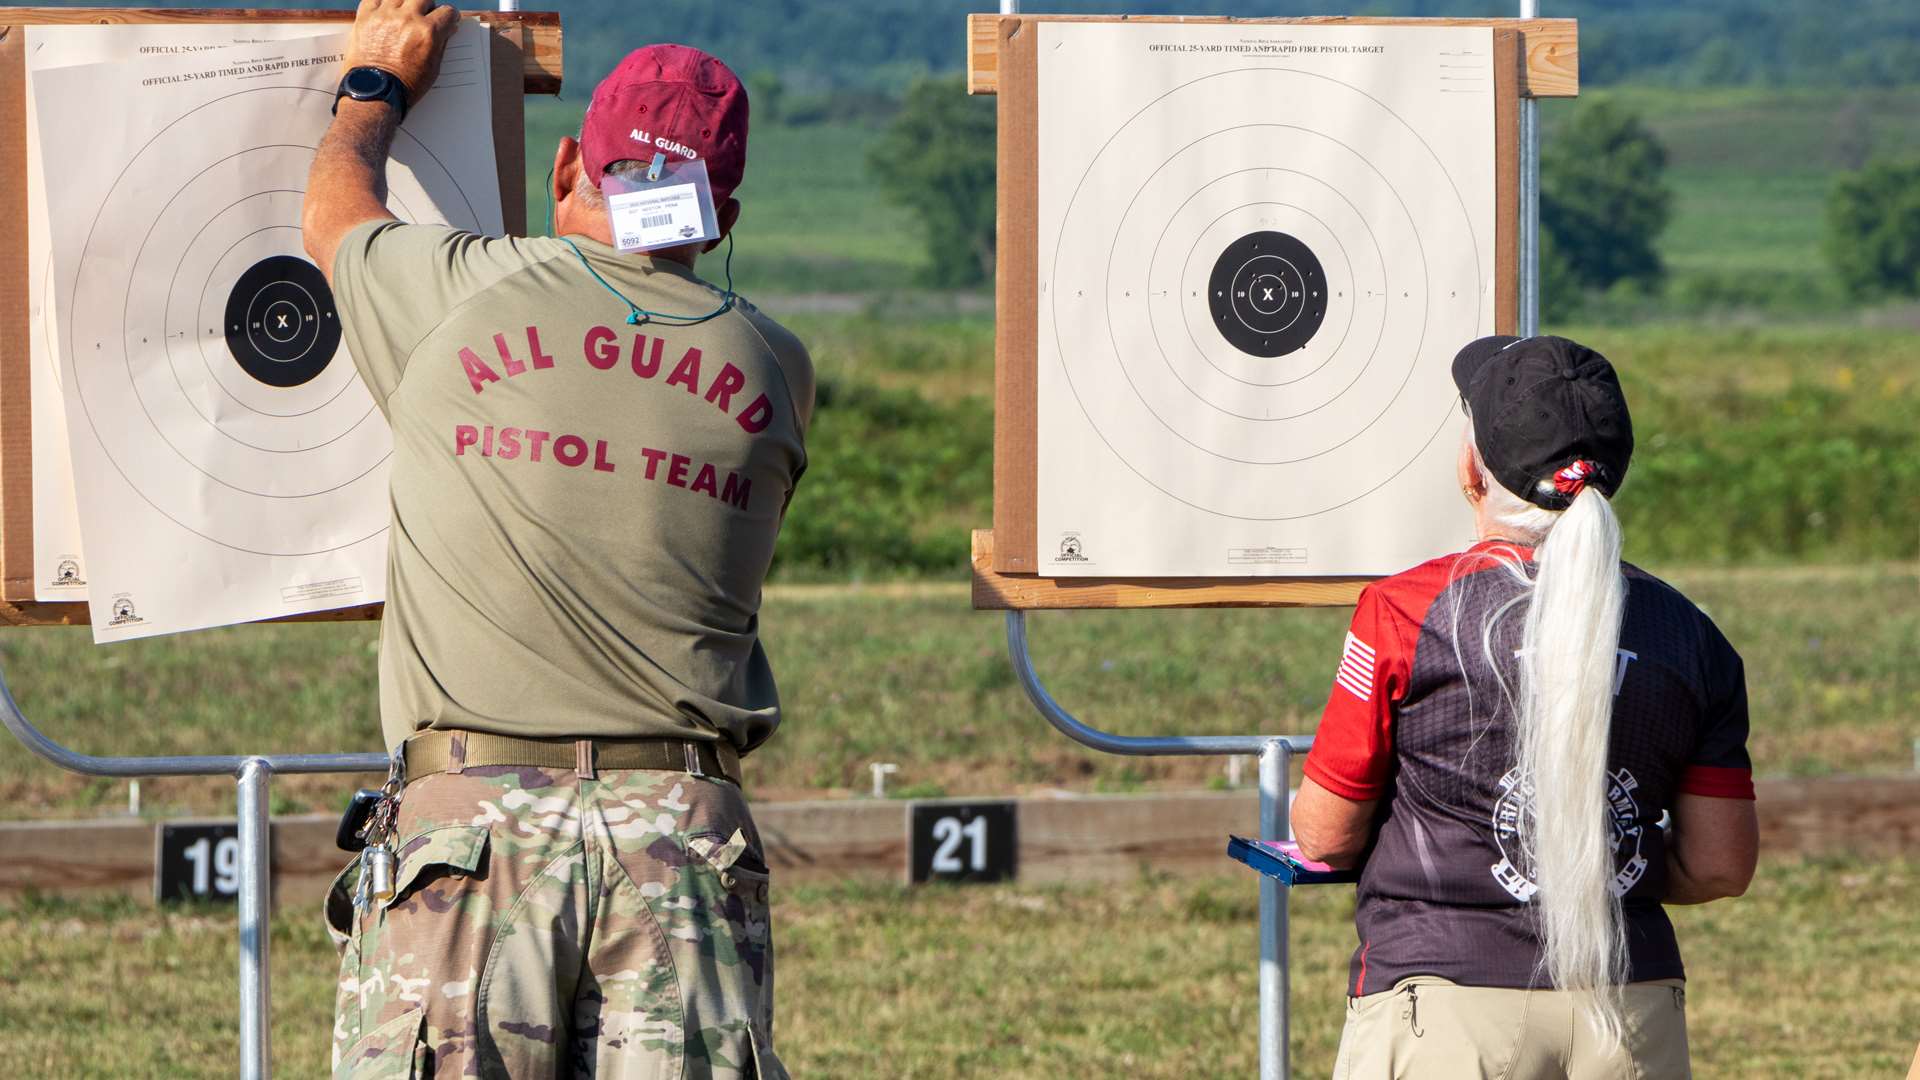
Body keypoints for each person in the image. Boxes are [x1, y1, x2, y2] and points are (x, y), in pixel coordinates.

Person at [302, 2, 812, 1075]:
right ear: (721, 219)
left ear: (571, 162)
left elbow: (335, 219)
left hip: (468, 835)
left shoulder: (457, 294)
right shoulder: (775, 366)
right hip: (682, 841)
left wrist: (373, 89)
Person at [1292, 335, 1758, 1079]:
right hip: (1630, 1006)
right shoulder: (1689, 633)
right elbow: (1721, 865)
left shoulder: (1405, 612)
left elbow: (1325, 831)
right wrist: (1582, 865)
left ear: (1471, 472)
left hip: (1443, 1002)